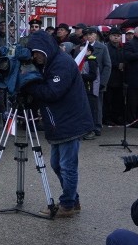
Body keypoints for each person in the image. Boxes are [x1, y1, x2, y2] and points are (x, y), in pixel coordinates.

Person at [24, 31, 94, 218]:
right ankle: (73, 200)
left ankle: (67, 205)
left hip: (69, 120)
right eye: (33, 53)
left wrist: (29, 84)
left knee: (66, 165)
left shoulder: (61, 64)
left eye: (37, 52)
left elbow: (53, 92)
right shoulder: (49, 63)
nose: (35, 57)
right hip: (60, 121)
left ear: (46, 49)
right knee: (57, 164)